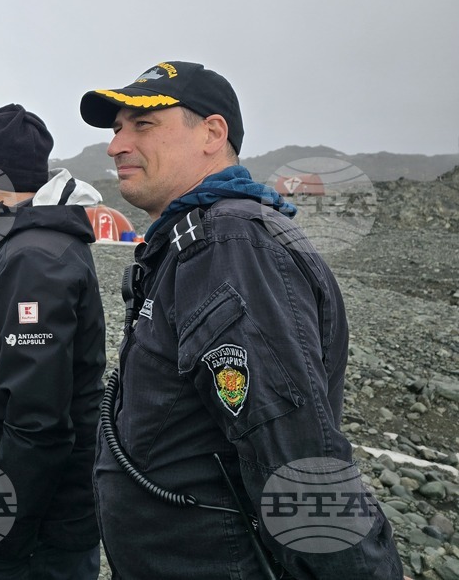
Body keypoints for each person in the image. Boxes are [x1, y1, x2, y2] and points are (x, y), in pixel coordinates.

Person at [80, 62, 405, 579]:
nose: (117, 145)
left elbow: (293, 446)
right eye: (118, 129)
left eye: (143, 125)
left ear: (212, 133)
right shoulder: (193, 240)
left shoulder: (230, 244)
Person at [0, 103, 106, 580]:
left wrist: (4, 528)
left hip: (36, 520)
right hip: (31, 504)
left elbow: (39, 421)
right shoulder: (31, 243)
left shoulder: (34, 260)